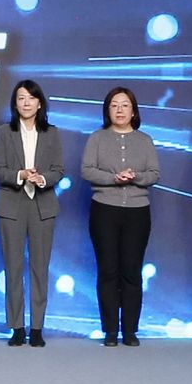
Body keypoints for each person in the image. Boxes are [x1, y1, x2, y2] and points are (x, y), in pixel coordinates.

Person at [81, 86, 160, 347]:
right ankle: (110, 331)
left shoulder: (145, 140)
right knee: (108, 270)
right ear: (107, 110)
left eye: (125, 105)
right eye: (114, 105)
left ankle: (130, 330)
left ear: (134, 111)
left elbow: (154, 174)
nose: (119, 110)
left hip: (137, 212)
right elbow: (87, 170)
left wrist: (135, 177)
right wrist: (113, 178)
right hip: (104, 209)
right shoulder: (97, 138)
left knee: (131, 271)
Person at [0, 79, 64, 348]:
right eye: (21, 98)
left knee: (40, 268)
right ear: (15, 103)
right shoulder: (4, 132)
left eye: (31, 98)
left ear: (39, 103)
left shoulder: (52, 133)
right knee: (13, 268)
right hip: (12, 204)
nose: (26, 103)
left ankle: (37, 327)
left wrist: (42, 179)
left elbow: (59, 169)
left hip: (43, 205)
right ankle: (17, 327)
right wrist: (20, 175)